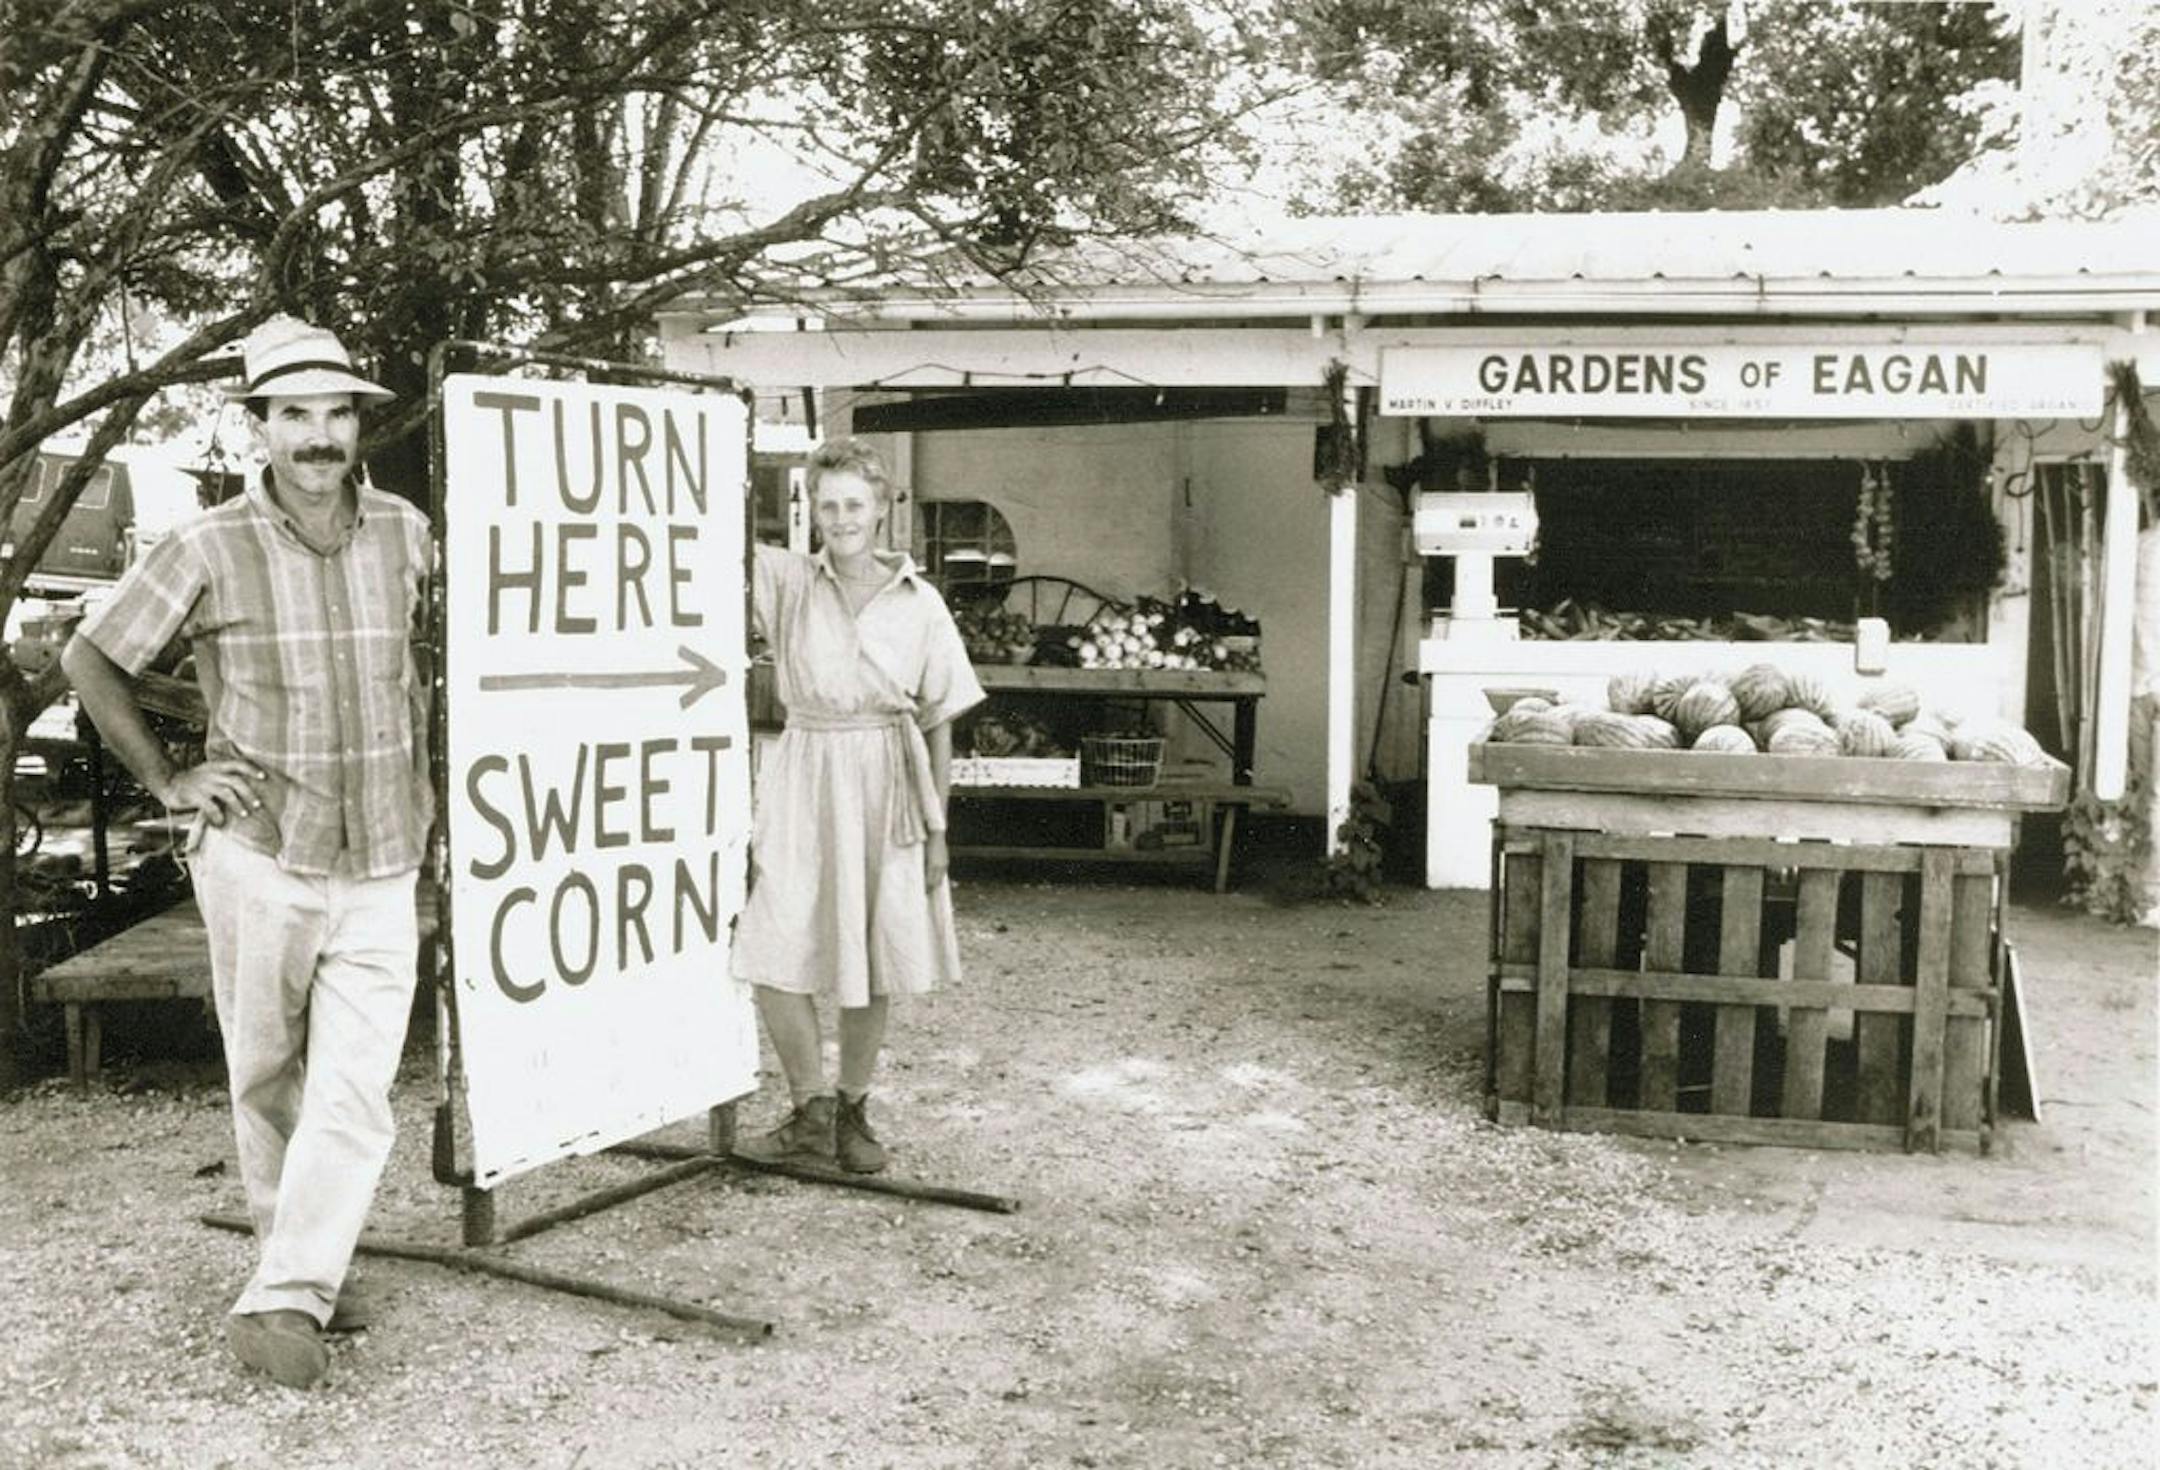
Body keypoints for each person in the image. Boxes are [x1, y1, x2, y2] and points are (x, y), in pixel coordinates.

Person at [62, 315, 431, 1390]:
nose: (318, 436)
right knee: (266, 1074)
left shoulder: (407, 530)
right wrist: (172, 782)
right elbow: (93, 658)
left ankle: (285, 1294)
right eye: (294, 415)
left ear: (358, 424)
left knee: (356, 1089)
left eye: (335, 414)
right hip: (262, 852)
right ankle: (302, 1270)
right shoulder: (206, 543)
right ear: (261, 427)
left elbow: (437, 663)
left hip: (383, 852)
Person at [731, 436, 984, 1174]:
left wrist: (938, 830)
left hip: (888, 779)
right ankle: (809, 1107)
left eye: (854, 504)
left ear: (880, 510)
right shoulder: (785, 580)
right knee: (772, 941)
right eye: (827, 504)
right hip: (806, 766)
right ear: (810, 510)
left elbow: (938, 719)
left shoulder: (921, 601)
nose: (840, 518)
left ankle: (852, 1108)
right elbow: (709, 531)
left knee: (870, 954)